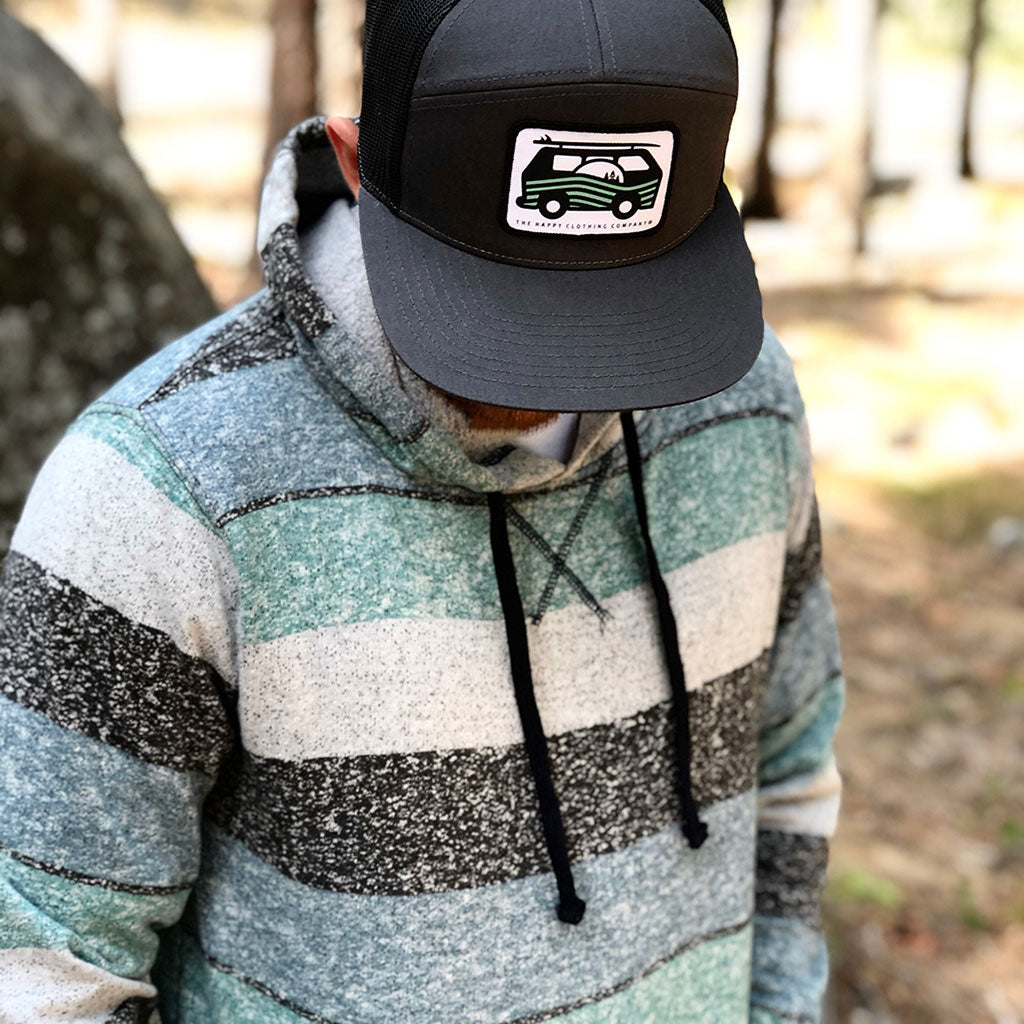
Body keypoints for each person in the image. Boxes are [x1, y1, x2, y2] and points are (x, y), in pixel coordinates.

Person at [0, 0, 846, 1021]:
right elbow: (47, 968)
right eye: (496, 306)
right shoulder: (158, 491)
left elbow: (789, 769)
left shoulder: (746, 405)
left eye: (617, 306)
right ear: (358, 161)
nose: (561, 373)